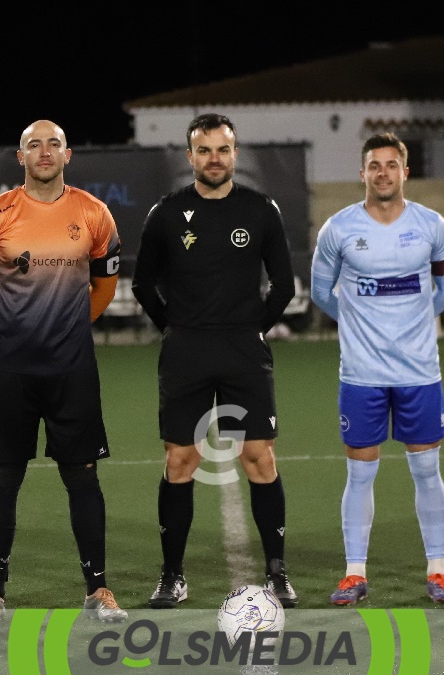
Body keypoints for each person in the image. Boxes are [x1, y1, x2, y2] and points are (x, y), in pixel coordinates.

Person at [133, 113, 298, 609]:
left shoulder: (261, 210)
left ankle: (277, 572)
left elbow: (285, 285)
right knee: (181, 460)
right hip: (186, 350)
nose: (213, 159)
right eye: (203, 151)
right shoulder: (166, 213)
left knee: (259, 458)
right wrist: (175, 329)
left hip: (244, 350)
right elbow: (143, 284)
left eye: (222, 150)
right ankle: (171, 575)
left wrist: (252, 329)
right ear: (190, 158)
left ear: (235, 154)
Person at [0, 120, 126, 627]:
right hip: (10, 372)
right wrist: (17, 331)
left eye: (53, 143)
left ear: (67, 154)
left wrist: (67, 328)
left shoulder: (95, 214)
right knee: (3, 479)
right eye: (34, 144)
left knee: (83, 477)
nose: (44, 151)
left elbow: (103, 289)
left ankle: (97, 589)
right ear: (20, 157)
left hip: (72, 371)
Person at [310, 132, 444, 606]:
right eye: (374, 165)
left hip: (419, 371)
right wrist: (361, 325)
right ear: (363, 174)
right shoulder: (337, 229)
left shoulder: (432, 226)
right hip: (362, 373)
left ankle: (437, 570)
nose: (382, 172)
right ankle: (355, 573)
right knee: (359, 476)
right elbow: (321, 293)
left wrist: (410, 325)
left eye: (391, 164)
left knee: (427, 470)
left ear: (404, 171)